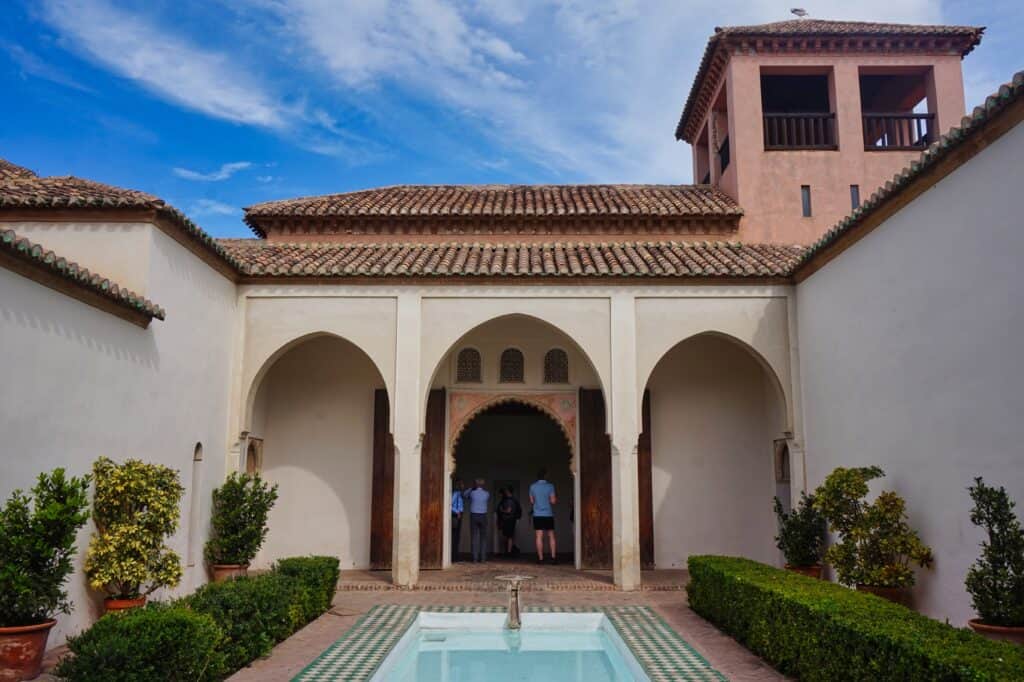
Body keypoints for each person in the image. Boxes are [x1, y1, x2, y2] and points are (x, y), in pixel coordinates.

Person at [529, 469, 557, 564]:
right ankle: (553, 558)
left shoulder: (532, 486)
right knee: (551, 536)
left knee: (539, 536)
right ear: (546, 476)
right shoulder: (550, 486)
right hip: (548, 514)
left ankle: (540, 559)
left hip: (537, 515)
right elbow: (553, 501)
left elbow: (532, 501)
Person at [466, 478, 490, 563]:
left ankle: (475, 559)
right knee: (483, 538)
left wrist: (471, 488)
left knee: (474, 537)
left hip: (474, 515)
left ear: (475, 485)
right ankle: (483, 559)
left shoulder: (472, 493)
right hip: (483, 515)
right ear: (483, 485)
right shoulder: (487, 494)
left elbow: (465, 495)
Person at [495, 487, 522, 556]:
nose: (505, 492)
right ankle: (508, 552)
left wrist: (501, 510)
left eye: (506, 491)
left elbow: (508, 511)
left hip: (508, 520)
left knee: (508, 536)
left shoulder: (510, 500)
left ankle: (508, 552)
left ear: (508, 492)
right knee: (508, 536)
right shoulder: (513, 500)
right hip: (510, 520)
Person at [450, 479, 464, 563]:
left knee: (457, 536)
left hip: (459, 515)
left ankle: (455, 556)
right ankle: (454, 557)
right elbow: (449, 504)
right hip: (456, 516)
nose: (463, 486)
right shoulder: (455, 494)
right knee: (455, 536)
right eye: (462, 484)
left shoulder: (460, 494)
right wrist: (457, 511)